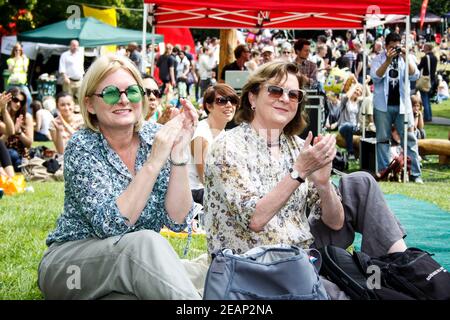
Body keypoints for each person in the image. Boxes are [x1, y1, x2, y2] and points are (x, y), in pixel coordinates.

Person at [203, 61, 408, 299]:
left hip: (300, 251)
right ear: (252, 97)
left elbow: (335, 222)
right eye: (275, 90)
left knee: (362, 182)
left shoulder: (297, 146)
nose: (285, 99)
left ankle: (401, 266)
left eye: (294, 94)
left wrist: (322, 184)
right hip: (255, 264)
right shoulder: (228, 147)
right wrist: (298, 172)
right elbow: (255, 219)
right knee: (350, 294)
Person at [38, 54, 206, 300]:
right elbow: (112, 225)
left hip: (129, 266)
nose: (124, 100)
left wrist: (178, 153)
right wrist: (154, 162)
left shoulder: (154, 136)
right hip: (71, 266)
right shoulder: (83, 145)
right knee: (144, 244)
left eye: (133, 92)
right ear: (90, 104)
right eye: (111, 93)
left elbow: (178, 219)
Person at [370, 32, 423, 183]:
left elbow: (415, 75)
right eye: (391, 47)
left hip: (403, 106)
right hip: (383, 106)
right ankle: (385, 171)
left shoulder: (406, 58)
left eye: (397, 47)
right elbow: (376, 77)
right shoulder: (378, 59)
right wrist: (387, 60)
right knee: (382, 139)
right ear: (386, 46)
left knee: (410, 138)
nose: (394, 50)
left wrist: (406, 56)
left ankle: (415, 174)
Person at [189, 84, 239, 205]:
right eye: (221, 101)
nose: (229, 105)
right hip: (194, 194)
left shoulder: (221, 132)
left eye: (233, 101)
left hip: (208, 191)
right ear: (209, 106)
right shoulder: (201, 135)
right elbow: (204, 179)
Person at [0, 88, 33, 172]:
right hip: (4, 154)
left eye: (21, 102)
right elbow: (0, 144)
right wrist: (11, 131)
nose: (18, 104)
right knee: (11, 153)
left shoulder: (26, 117)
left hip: (20, 155)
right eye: (15, 100)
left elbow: (29, 143)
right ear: (8, 99)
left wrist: (19, 133)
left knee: (16, 157)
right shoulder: (2, 116)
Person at [337, 83, 364, 160]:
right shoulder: (345, 101)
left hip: (355, 127)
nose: (358, 92)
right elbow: (347, 96)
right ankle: (350, 152)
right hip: (344, 126)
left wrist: (365, 83)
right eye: (356, 90)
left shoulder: (358, 103)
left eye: (360, 92)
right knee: (349, 126)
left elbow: (368, 97)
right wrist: (355, 85)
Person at [6, 43, 32, 112]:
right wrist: (15, 60)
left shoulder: (25, 59)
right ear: (14, 51)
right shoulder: (10, 60)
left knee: (29, 99)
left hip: (21, 83)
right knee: (8, 99)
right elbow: (10, 71)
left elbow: (25, 69)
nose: (18, 52)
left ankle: (27, 114)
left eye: (19, 50)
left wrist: (23, 60)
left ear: (21, 51)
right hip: (12, 83)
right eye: (16, 50)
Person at [417, 43, 437, 122]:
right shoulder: (435, 57)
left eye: (424, 47)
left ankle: (427, 117)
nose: (423, 48)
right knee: (427, 98)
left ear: (427, 48)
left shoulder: (425, 58)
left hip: (425, 80)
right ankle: (429, 116)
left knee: (424, 98)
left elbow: (419, 67)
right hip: (432, 80)